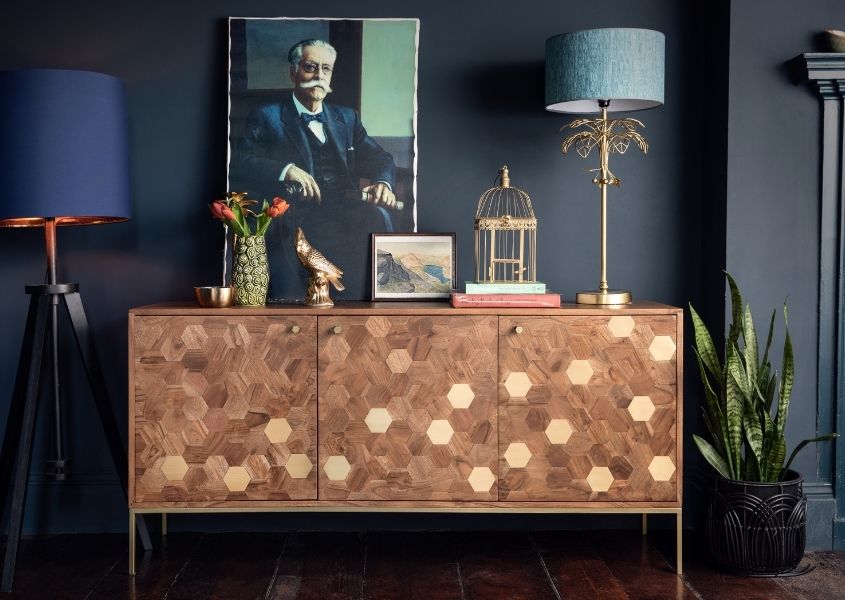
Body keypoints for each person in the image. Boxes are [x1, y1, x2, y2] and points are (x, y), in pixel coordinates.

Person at [232, 38, 400, 301]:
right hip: (295, 214)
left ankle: (378, 299)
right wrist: (285, 168)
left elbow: (380, 157)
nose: (319, 76)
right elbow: (241, 162)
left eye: (326, 69)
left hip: (342, 209)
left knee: (378, 217)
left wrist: (383, 182)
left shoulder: (347, 118)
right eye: (310, 67)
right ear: (293, 72)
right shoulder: (267, 116)